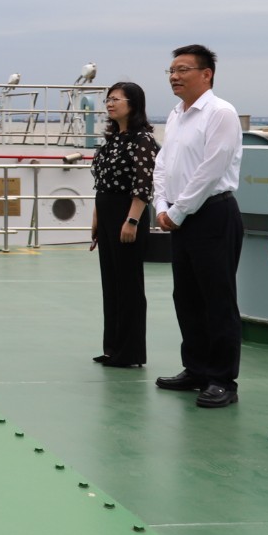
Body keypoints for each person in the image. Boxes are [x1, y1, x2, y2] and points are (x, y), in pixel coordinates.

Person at [152, 44, 245, 408]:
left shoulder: (221, 113)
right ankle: (196, 369)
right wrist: (163, 205)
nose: (174, 76)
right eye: (171, 71)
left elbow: (212, 168)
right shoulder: (176, 115)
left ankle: (222, 379)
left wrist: (178, 211)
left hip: (212, 214)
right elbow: (164, 164)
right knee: (187, 297)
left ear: (207, 74)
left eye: (183, 70)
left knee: (217, 299)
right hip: (180, 216)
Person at [88, 80, 158, 369]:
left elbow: (143, 184)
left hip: (127, 213)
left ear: (134, 104)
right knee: (112, 282)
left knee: (129, 283)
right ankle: (113, 347)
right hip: (106, 213)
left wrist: (132, 220)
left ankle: (130, 353)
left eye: (116, 99)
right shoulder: (112, 140)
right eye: (108, 99)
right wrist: (96, 220)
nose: (110, 103)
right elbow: (101, 183)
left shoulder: (143, 140)